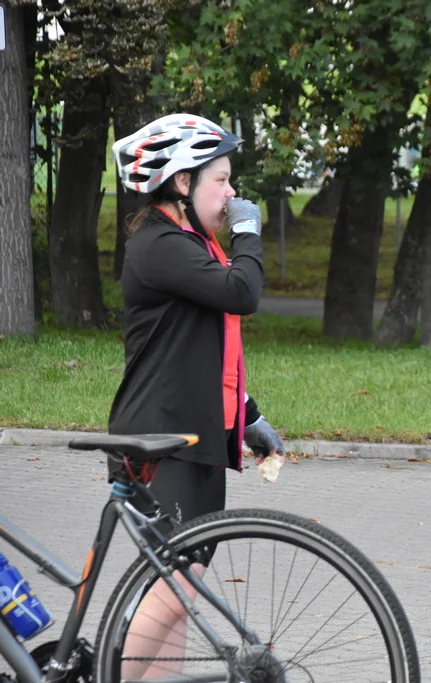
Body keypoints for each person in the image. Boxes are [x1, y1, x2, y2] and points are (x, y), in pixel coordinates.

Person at [108, 113, 286, 678]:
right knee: (174, 587)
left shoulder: (189, 243)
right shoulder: (159, 245)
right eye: (222, 180)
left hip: (194, 436)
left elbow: (205, 347)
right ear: (182, 183)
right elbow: (241, 293)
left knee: (181, 598)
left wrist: (248, 416)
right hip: (162, 442)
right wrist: (250, 233)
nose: (233, 195)